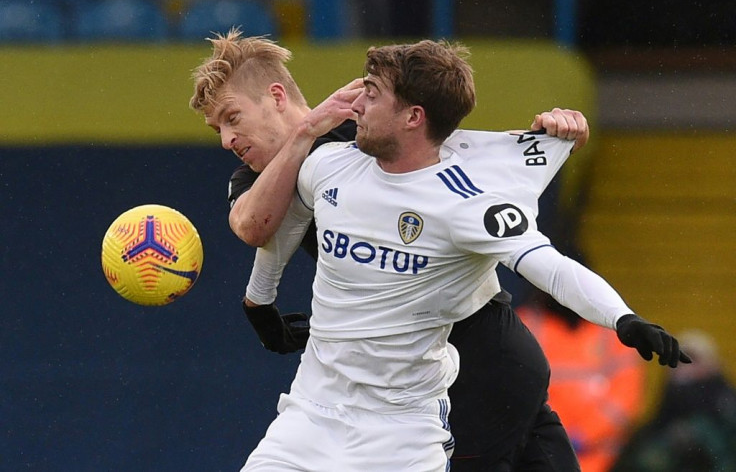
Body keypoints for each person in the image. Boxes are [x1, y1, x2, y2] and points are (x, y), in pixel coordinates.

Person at [193, 36, 690, 471]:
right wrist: (258, 305)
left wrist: (553, 136)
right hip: (353, 391)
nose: (226, 140)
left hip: (472, 357)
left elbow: (524, 236)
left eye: (231, 118)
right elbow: (260, 227)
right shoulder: (314, 166)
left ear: (276, 96)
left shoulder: (375, 141)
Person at [516, 289, 646, 472]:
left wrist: (585, 435)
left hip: (604, 458)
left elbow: (625, 399)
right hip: (541, 455)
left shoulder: (612, 330)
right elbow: (512, 395)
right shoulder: (524, 325)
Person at [610, 329, 736, 472]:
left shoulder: (726, 406)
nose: (684, 368)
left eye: (693, 360)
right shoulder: (661, 417)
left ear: (712, 365)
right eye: (677, 359)